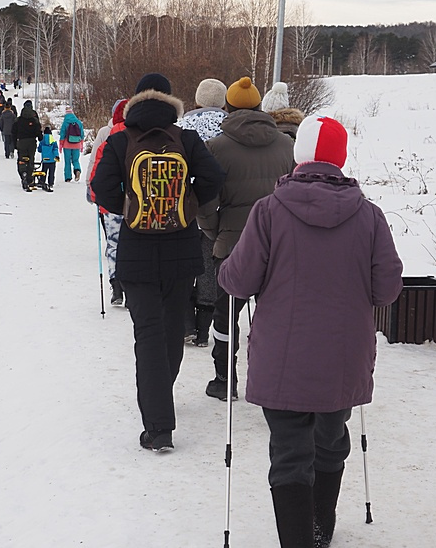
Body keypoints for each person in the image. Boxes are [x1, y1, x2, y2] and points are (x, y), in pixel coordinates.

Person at [218, 115, 403, 548]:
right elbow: (387, 289)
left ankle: (297, 543)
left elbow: (239, 282)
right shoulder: (370, 216)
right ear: (340, 158)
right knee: (331, 437)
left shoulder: (268, 211)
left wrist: (227, 267)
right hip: (342, 358)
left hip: (281, 358)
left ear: (299, 155)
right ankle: (322, 521)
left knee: (288, 451)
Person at [91, 72, 224, 452]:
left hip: (137, 252)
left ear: (135, 102)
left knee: (147, 336)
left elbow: (100, 188)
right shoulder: (186, 139)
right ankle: (161, 397)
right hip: (181, 249)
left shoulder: (120, 140)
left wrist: (131, 209)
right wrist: (188, 205)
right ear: (170, 103)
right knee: (170, 332)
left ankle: (158, 426)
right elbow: (214, 177)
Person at [197, 76, 295, 401]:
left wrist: (216, 233)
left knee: (226, 315)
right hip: (279, 245)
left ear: (228, 108)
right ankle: (275, 378)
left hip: (231, 244)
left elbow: (206, 202)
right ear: (258, 106)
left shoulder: (217, 147)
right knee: (278, 316)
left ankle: (225, 380)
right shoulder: (286, 146)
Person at [177, 78, 228, 346]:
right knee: (209, 267)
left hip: (183, 208)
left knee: (185, 264)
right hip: (216, 208)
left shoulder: (179, 128)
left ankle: (186, 324)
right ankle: (204, 328)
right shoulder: (229, 128)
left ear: (196, 100)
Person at [87, 99, 130, 306]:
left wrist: (93, 193)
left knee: (113, 244)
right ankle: (132, 286)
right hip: (135, 204)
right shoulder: (140, 138)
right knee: (132, 243)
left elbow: (97, 169)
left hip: (111, 205)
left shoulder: (109, 138)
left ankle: (116, 286)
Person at [12, 102, 42, 190]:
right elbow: (38, 131)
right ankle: (30, 178)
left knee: (22, 158)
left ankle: (23, 173)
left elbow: (13, 132)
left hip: (21, 142)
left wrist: (15, 144)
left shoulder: (18, 120)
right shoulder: (34, 120)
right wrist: (40, 138)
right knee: (31, 159)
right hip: (32, 142)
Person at [60, 107, 85, 182]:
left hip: (67, 144)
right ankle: (77, 170)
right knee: (75, 160)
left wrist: (61, 143)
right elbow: (82, 134)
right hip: (77, 144)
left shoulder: (65, 122)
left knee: (67, 161)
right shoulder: (78, 122)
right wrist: (81, 143)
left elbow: (62, 133)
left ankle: (68, 177)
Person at [37, 126, 60, 192]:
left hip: (45, 159)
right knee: (51, 172)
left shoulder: (42, 141)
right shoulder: (53, 141)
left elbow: (39, 150)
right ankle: (51, 183)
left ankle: (42, 181)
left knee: (44, 171)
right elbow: (55, 150)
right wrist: (56, 156)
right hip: (52, 160)